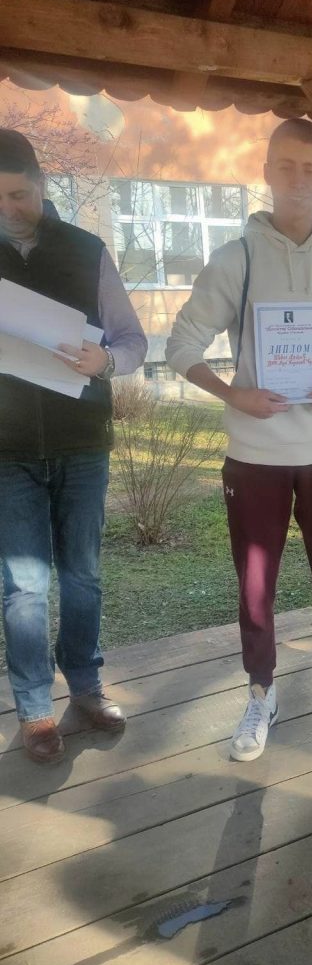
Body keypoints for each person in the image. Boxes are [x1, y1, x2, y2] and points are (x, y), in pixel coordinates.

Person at [166, 118, 312, 762]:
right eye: (287, 166)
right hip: (257, 454)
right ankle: (261, 692)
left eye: (311, 169)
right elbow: (182, 344)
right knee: (256, 585)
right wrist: (232, 393)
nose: (299, 179)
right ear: (267, 171)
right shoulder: (236, 259)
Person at [0, 129, 148, 763]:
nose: (9, 209)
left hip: (83, 442)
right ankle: (34, 707)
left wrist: (105, 361)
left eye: (19, 194)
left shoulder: (87, 250)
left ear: (41, 184)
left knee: (82, 576)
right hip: (6, 451)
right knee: (25, 588)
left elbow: (133, 341)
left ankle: (85, 688)